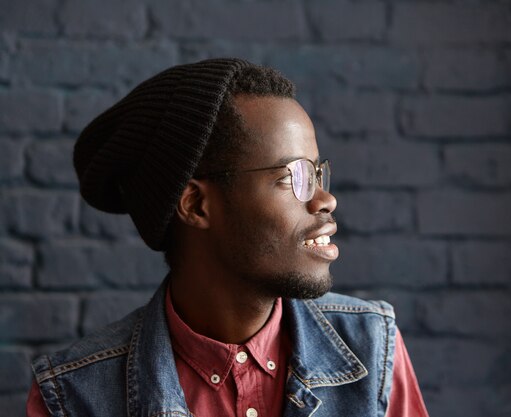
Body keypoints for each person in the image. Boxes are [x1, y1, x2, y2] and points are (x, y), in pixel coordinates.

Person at [27, 58, 428, 417]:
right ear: (197, 205)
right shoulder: (75, 397)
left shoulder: (372, 347)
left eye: (319, 174)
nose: (326, 199)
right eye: (297, 177)